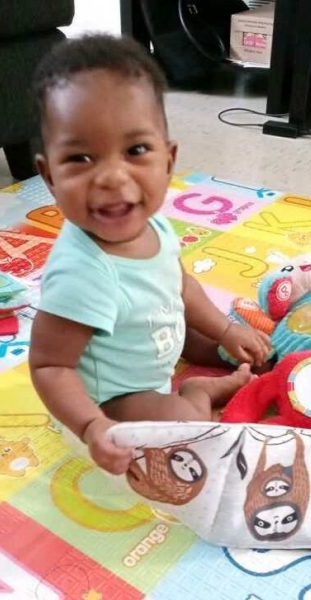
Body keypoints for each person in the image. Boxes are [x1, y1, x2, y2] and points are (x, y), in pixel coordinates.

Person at [29, 34, 270, 475]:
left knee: (225, 342)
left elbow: (180, 286)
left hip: (154, 339)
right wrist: (92, 425)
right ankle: (199, 393)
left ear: (168, 160)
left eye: (135, 151)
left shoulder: (152, 224)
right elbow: (51, 365)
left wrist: (224, 330)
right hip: (115, 395)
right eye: (80, 158)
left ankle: (225, 359)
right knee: (188, 432)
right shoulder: (82, 274)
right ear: (49, 177)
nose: (112, 178)